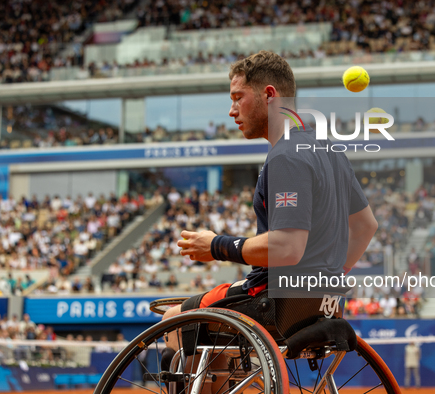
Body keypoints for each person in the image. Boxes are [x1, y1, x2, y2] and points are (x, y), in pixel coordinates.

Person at [161, 50, 378, 393]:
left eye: (238, 98)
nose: (231, 111)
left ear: (270, 95)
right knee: (207, 341)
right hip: (325, 304)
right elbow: (367, 227)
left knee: (173, 322)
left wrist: (216, 245)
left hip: (275, 301)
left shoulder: (286, 155)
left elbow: (287, 247)